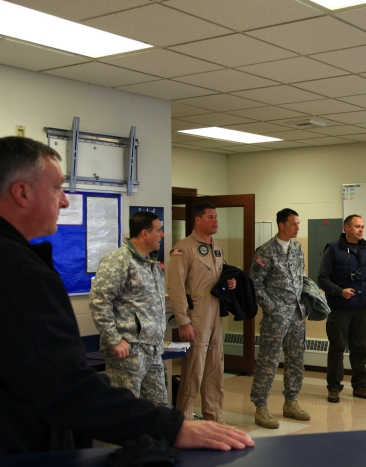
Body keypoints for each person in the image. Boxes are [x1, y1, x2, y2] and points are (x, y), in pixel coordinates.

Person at [0, 136, 253, 454]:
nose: (65, 201)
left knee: (158, 403)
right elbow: (63, 385)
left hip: (151, 347)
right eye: (56, 189)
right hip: (124, 353)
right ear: (21, 192)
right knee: (119, 426)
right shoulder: (21, 272)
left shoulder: (152, 263)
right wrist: (170, 427)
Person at [89, 211, 169, 407]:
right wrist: (114, 340)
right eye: (159, 230)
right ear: (144, 233)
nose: (162, 234)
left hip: (152, 350)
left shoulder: (151, 263)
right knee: (124, 413)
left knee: (159, 411)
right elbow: (99, 300)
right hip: (129, 351)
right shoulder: (119, 260)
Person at [167, 202, 235, 422]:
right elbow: (176, 287)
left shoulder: (217, 246)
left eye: (216, 217)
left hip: (215, 311)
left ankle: (213, 416)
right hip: (197, 314)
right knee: (194, 369)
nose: (215, 221)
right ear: (198, 220)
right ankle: (184, 418)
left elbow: (221, 274)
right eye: (210, 217)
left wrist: (230, 283)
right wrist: (183, 321)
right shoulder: (184, 248)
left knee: (215, 366)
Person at [249, 208, 309, 429]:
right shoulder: (265, 251)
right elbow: (254, 283)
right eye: (294, 224)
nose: (297, 228)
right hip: (276, 318)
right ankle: (261, 407)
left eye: (298, 223)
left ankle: (291, 402)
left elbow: (300, 277)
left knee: (296, 361)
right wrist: (271, 308)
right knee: (268, 361)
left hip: (297, 315)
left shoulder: (297, 248)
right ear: (281, 225)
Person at [317, 214, 366, 403]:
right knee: (337, 348)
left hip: (362, 308)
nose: (361, 230)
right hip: (340, 308)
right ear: (346, 228)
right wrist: (340, 291)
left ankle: (360, 386)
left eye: (363, 227)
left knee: (360, 348)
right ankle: (334, 388)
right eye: (357, 226)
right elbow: (322, 278)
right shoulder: (334, 249)